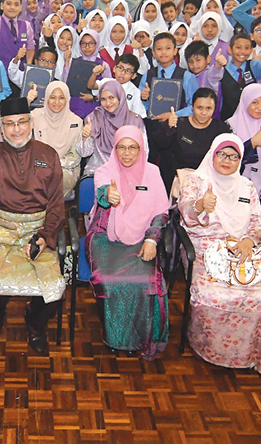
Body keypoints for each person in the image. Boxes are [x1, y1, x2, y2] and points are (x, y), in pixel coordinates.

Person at [0, 97, 65, 356]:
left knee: (55, 288)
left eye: (22, 122)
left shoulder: (48, 154)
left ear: (31, 123)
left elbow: (56, 204)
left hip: (38, 230)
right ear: (1, 126)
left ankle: (34, 322)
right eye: (9, 124)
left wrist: (45, 236)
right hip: (0, 229)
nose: (17, 129)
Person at [178, 133, 261, 374]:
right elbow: (185, 216)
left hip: (242, 247)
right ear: (213, 153)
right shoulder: (196, 181)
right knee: (213, 294)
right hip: (204, 246)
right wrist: (200, 205)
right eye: (222, 154)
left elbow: (258, 222)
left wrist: (249, 241)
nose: (227, 160)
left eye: (234, 156)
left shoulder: (247, 186)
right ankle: (207, 347)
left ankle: (246, 354)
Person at [85, 125, 170, 359]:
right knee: (110, 280)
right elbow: (103, 193)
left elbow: (161, 212)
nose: (127, 153)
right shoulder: (105, 170)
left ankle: (139, 337)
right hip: (105, 235)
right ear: (115, 148)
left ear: (141, 148)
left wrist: (152, 240)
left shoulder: (152, 172)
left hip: (143, 237)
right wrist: (108, 196)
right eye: (121, 147)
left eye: (133, 147)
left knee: (145, 280)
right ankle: (116, 337)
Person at [78, 79, 147, 176]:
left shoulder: (134, 121)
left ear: (120, 97)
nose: (108, 103)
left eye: (111, 97)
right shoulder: (95, 118)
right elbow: (84, 153)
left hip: (128, 171)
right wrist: (85, 137)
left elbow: (144, 152)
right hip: (98, 171)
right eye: (103, 99)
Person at [30, 81, 83, 199]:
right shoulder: (35, 116)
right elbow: (8, 124)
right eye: (52, 97)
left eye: (61, 98)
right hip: (38, 166)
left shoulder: (75, 121)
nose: (57, 102)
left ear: (67, 99)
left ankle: (47, 212)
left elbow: (74, 157)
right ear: (47, 98)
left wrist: (52, 165)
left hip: (66, 168)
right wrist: (27, 102)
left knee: (54, 178)